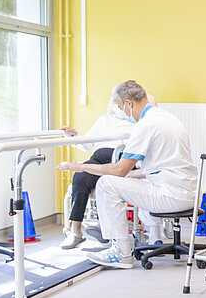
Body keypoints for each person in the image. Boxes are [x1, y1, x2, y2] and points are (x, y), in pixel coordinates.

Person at [58, 80, 197, 269]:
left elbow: (119, 170)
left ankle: (121, 252)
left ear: (129, 104)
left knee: (106, 184)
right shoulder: (166, 118)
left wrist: (80, 167)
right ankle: (112, 237)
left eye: (121, 107)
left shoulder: (145, 125)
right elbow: (149, 169)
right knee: (118, 180)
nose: (122, 113)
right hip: (186, 191)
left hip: (170, 194)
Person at [57, 92, 135, 249]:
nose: (117, 107)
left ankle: (103, 227)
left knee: (108, 184)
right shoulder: (103, 121)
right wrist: (74, 135)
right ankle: (76, 232)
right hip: (98, 158)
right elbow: (86, 144)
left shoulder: (136, 122)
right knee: (80, 178)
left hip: (121, 159)